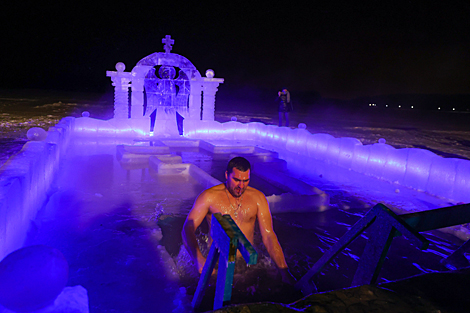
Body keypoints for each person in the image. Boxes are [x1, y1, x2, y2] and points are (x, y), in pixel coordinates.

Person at [181, 156, 296, 285]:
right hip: (218, 261)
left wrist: (284, 271)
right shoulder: (209, 197)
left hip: (247, 261)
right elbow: (187, 228)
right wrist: (198, 259)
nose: (241, 186)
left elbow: (269, 235)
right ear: (226, 175)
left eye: (246, 181)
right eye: (236, 180)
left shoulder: (258, 198)